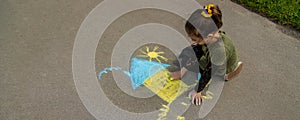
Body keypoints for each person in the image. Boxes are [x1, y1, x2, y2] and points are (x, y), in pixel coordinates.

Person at [170, 4, 243, 105]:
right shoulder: (210, 37)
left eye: (194, 39)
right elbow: (197, 53)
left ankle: (229, 72)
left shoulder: (220, 50)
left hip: (219, 67)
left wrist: (197, 91)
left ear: (208, 36)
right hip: (210, 54)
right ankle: (228, 68)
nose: (191, 40)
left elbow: (209, 73)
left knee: (204, 68)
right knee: (190, 51)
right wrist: (181, 72)